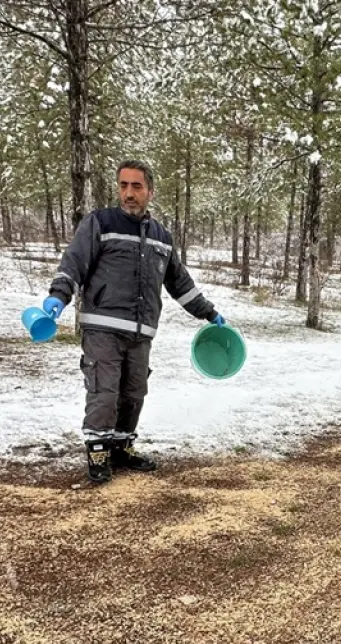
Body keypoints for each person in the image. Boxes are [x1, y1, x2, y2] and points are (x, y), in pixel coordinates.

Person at [43, 160, 226, 485]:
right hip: (102, 327)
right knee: (105, 390)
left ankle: (121, 447)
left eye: (136, 186)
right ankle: (98, 450)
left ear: (150, 192)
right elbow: (74, 262)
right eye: (123, 185)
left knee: (134, 392)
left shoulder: (161, 237)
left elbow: (179, 283)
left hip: (141, 332)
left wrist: (209, 313)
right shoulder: (100, 222)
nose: (129, 193)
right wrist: (59, 295)